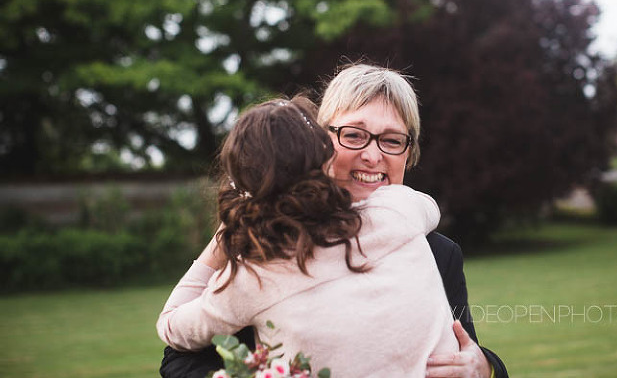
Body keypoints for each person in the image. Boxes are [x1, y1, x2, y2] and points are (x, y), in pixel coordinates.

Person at [159, 64, 509, 378]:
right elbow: (180, 360)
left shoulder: (437, 251)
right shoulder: (260, 255)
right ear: (321, 144)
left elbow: (464, 346)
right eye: (354, 135)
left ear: (409, 152)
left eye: (392, 141)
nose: (373, 156)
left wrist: (484, 367)